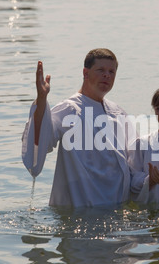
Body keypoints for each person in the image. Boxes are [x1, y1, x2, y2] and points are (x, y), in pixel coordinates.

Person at [22, 49, 131, 208]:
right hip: (79, 209)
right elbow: (41, 142)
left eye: (111, 71)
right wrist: (41, 99)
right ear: (85, 73)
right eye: (100, 70)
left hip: (115, 209)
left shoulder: (118, 112)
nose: (107, 75)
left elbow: (133, 160)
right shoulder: (69, 109)